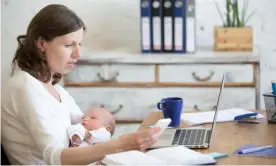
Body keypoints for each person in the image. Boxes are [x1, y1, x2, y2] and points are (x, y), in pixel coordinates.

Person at [1, 4, 161, 165]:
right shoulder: (23, 86)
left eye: (79, 44)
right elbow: (55, 156)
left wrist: (138, 138)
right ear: (42, 44)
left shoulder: (57, 91)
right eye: (69, 45)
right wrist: (121, 145)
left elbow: (93, 126)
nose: (78, 54)